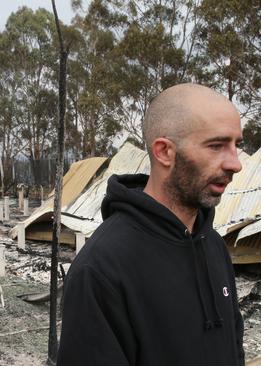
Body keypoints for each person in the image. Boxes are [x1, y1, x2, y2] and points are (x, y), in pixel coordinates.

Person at [57, 83, 245, 366]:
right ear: (164, 152)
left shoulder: (213, 244)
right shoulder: (101, 268)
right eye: (216, 146)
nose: (235, 163)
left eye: (236, 145)